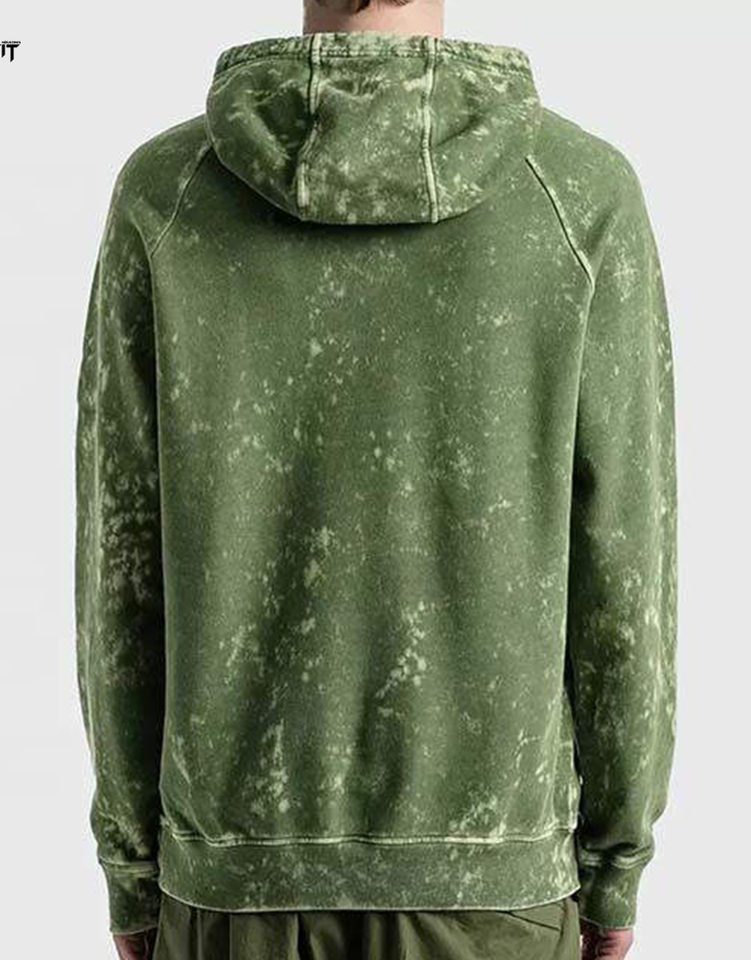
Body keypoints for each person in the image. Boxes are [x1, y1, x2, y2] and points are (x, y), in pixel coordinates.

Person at [73, 1, 679, 958]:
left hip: (233, 888)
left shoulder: (167, 197)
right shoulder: (579, 195)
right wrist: (616, 864)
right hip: (495, 894)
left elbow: (121, 570)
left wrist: (134, 870)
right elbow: (626, 570)